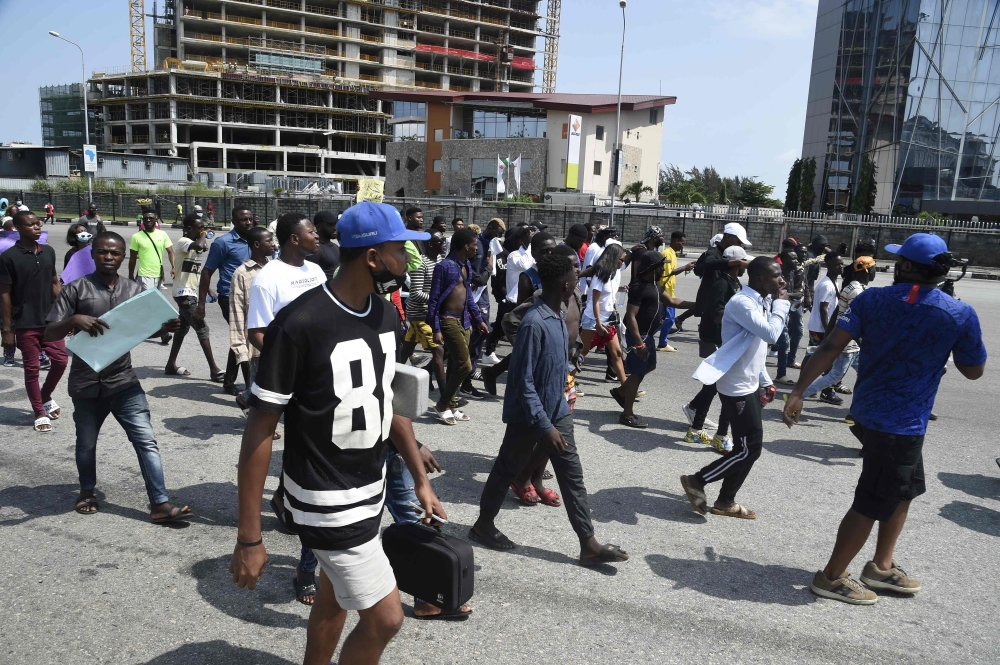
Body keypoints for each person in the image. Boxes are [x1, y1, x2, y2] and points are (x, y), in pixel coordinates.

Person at [230, 200, 446, 664]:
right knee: (386, 618)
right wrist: (250, 536)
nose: (408, 261)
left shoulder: (386, 315)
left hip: (369, 487)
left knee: (333, 595)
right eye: (400, 249)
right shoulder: (300, 323)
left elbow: (388, 400)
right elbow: (260, 430)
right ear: (372, 257)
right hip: (326, 499)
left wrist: (419, 477)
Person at [783, 233, 986, 605]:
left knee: (903, 490)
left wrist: (798, 391)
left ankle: (881, 565)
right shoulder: (957, 312)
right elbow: (974, 370)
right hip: (900, 424)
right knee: (872, 500)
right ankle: (830, 577)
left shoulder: (872, 300)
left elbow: (830, 345)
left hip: (873, 415)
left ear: (907, 267)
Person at [470, 251, 629, 567]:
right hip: (529, 416)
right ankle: (482, 526)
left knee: (572, 476)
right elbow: (523, 382)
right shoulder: (534, 322)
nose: (578, 274)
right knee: (506, 470)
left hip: (557, 410)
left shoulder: (559, 313)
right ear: (565, 282)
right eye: (574, 270)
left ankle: (589, 544)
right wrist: (544, 426)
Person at [44, 231, 192, 522]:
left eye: (114, 253)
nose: (108, 257)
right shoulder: (75, 290)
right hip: (86, 382)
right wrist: (73, 320)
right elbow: (49, 332)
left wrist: (166, 327)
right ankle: (87, 491)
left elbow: (143, 330)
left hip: (123, 381)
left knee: (146, 440)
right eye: (102, 252)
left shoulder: (135, 290)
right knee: (86, 443)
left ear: (123, 256)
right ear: (93, 254)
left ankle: (160, 505)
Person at [680, 256, 788, 520]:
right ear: (760, 279)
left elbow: (753, 347)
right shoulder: (742, 302)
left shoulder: (760, 302)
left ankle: (726, 500)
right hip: (736, 386)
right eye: (776, 276)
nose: (781, 280)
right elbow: (771, 334)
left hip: (749, 383)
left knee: (749, 448)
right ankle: (698, 480)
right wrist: (782, 304)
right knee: (748, 449)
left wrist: (765, 381)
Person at [0, 210, 69, 431]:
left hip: (51, 321)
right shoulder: (8, 257)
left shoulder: (48, 252)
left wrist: (67, 312)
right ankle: (39, 411)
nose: (37, 227)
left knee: (61, 361)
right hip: (25, 323)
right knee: (32, 369)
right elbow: (4, 294)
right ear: (18, 228)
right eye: (31, 225)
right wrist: (7, 329)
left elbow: (55, 283)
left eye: (38, 224)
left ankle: (45, 395)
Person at [615, 251, 695, 428]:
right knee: (637, 373)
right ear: (652, 267)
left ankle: (621, 392)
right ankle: (626, 415)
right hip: (640, 336)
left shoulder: (655, 285)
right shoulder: (639, 287)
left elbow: (673, 301)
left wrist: (697, 305)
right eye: (661, 265)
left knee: (650, 366)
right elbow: (631, 316)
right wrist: (639, 343)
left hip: (648, 335)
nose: (663, 268)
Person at [683, 245, 748, 452]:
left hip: (726, 341)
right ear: (738, 263)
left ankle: (700, 430)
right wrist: (741, 320)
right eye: (744, 261)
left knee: (714, 387)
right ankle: (716, 434)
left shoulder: (733, 282)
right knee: (725, 388)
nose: (746, 265)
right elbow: (717, 314)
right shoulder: (722, 284)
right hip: (716, 340)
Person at [427, 227, 489, 425]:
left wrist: (478, 319)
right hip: (448, 320)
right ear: (465, 246)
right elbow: (434, 300)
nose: (476, 249)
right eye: (474, 245)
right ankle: (443, 404)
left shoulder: (467, 265)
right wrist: (436, 329)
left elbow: (468, 296)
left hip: (465, 321)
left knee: (455, 365)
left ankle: (452, 405)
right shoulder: (444, 267)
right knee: (465, 365)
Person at [798, 256, 876, 407]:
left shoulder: (852, 286)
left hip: (852, 343)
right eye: (873, 268)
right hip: (849, 343)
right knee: (835, 376)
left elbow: (836, 313)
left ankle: (863, 406)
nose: (874, 272)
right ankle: (799, 395)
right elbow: (855, 321)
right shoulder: (857, 292)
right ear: (866, 270)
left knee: (867, 374)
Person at [197, 206, 255, 395]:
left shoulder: (256, 240)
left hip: (252, 297)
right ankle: (251, 387)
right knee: (245, 339)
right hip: (229, 297)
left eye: (250, 219)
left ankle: (229, 382)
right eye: (243, 219)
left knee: (240, 338)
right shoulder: (223, 243)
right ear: (234, 222)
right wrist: (201, 304)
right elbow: (207, 272)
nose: (248, 222)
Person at [165, 213, 222, 380]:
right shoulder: (184, 242)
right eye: (199, 228)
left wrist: (208, 289)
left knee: (182, 329)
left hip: (188, 292)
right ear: (189, 229)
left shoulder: (194, 244)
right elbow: (198, 246)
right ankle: (214, 370)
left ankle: (170, 365)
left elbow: (192, 272)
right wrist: (204, 235)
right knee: (202, 328)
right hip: (184, 295)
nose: (202, 231)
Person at [230, 226, 273, 414]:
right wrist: (240, 346)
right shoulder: (242, 273)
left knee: (274, 381)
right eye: (269, 241)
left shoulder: (276, 268)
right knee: (261, 385)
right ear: (256, 244)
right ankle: (261, 424)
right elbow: (237, 311)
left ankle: (245, 397)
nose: (273, 244)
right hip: (256, 340)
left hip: (276, 335)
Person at [398, 231, 447, 392]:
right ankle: (446, 399)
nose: (444, 243)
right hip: (420, 315)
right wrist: (438, 299)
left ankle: (391, 380)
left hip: (431, 313)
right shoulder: (420, 264)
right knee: (439, 352)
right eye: (441, 240)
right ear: (431, 244)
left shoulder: (440, 260)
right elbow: (416, 293)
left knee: (405, 352)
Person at [579, 243, 628, 385]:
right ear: (614, 258)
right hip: (594, 319)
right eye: (622, 259)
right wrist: (599, 324)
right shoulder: (600, 275)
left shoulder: (613, 274)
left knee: (617, 353)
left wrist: (619, 289)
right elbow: (595, 301)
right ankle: (567, 381)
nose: (623, 263)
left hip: (608, 319)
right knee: (583, 351)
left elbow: (607, 293)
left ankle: (626, 388)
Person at [128, 207, 175, 344]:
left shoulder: (163, 234)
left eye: (151, 218)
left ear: (156, 219)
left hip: (158, 277)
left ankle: (137, 328)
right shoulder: (137, 237)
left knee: (148, 306)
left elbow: (170, 252)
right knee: (152, 306)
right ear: (142, 219)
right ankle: (163, 333)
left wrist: (173, 267)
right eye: (146, 218)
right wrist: (131, 275)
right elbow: (132, 259)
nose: (148, 220)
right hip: (144, 276)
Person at [460, 222, 495, 400]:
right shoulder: (454, 266)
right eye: (474, 246)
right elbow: (480, 279)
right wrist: (489, 267)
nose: (477, 249)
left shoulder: (486, 246)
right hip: (454, 314)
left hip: (475, 298)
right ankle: (459, 386)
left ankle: (467, 375)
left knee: (482, 331)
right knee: (456, 349)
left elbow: (480, 282)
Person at [804, 252, 844, 403]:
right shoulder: (827, 284)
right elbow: (824, 308)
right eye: (837, 264)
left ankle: (804, 385)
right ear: (828, 266)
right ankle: (827, 391)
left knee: (811, 356)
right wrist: (829, 331)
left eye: (841, 264)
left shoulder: (832, 282)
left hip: (819, 327)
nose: (840, 266)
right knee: (827, 359)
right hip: (821, 329)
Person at [657, 230, 696, 351]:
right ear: (676, 241)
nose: (683, 245)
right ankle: (642, 334)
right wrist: (685, 267)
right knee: (665, 319)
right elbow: (667, 273)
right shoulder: (667, 253)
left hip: (670, 291)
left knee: (669, 318)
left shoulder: (673, 254)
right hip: (664, 292)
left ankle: (663, 343)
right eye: (682, 243)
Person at [774, 238, 805, 385]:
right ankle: (781, 374)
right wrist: (793, 295)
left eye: (796, 258)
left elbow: (798, 289)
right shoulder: (778, 275)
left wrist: (796, 294)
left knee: (791, 336)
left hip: (788, 308)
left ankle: (783, 371)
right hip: (775, 312)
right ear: (784, 260)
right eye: (792, 259)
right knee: (783, 342)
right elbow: (778, 294)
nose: (796, 261)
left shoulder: (793, 272)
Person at [306, 210, 340, 278]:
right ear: (319, 227)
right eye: (330, 225)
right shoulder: (314, 249)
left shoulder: (336, 247)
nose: (334, 228)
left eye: (335, 224)